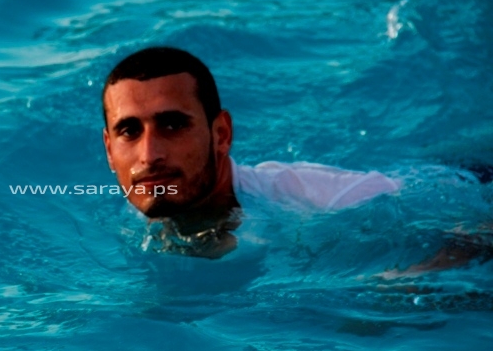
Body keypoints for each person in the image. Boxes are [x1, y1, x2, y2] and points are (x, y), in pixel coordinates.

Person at [101, 46, 489, 266]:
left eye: (173, 125)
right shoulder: (146, 203)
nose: (149, 155)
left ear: (221, 135)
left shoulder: (316, 200)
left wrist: (403, 289)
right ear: (109, 149)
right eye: (129, 131)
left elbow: (477, 230)